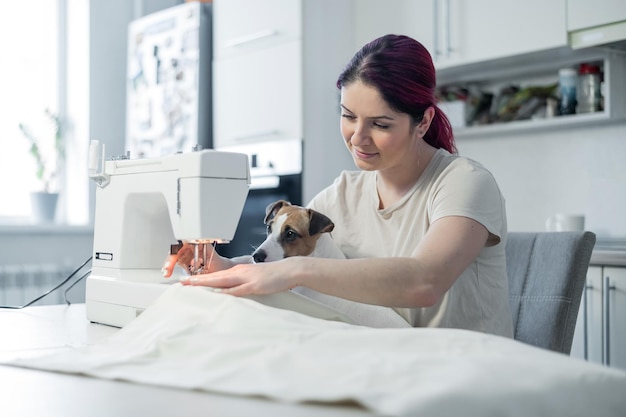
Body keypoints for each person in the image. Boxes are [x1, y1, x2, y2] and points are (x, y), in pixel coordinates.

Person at [163, 34, 513, 337]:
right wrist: (218, 265)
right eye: (348, 116)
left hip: (465, 370)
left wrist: (296, 272)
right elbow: (284, 256)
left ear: (422, 122)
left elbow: (424, 282)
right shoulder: (342, 194)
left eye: (380, 123)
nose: (358, 138)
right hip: (380, 361)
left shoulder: (464, 183)